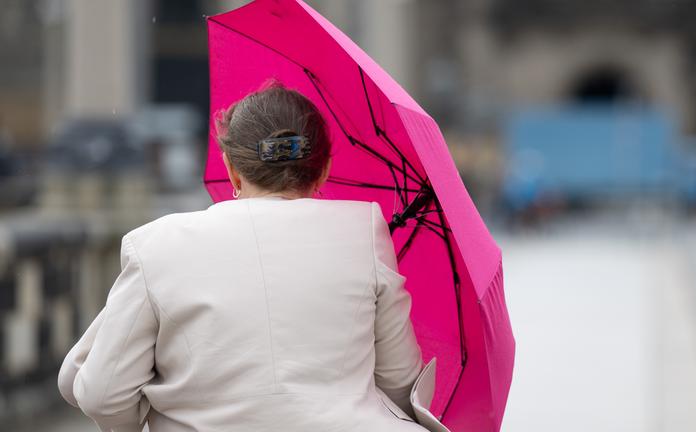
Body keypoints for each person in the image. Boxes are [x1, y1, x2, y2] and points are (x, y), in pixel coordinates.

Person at [57, 81, 431, 432]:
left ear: (232, 170)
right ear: (324, 169)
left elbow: (102, 394)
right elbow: (401, 383)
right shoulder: (364, 230)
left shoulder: (158, 245)